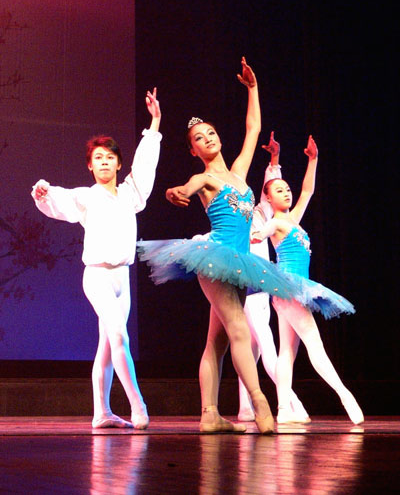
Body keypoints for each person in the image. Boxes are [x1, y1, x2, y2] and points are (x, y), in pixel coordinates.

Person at [137, 58, 296, 434]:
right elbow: (185, 188)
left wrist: (253, 89)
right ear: (193, 150)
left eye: (210, 133)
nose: (207, 138)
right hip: (215, 260)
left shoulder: (238, 172)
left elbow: (253, 128)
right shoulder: (204, 177)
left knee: (217, 341)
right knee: (240, 330)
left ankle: (209, 414)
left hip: (241, 263)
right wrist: (174, 192)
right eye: (198, 138)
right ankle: (260, 404)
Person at [31, 88, 162, 430]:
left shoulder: (131, 194)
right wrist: (43, 192)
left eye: (110, 157)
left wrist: (155, 123)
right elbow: (58, 199)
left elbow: (145, 165)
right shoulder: (86, 196)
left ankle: (101, 412)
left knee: (107, 344)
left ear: (118, 163)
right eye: (98, 158)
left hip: (122, 280)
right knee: (119, 336)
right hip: (97, 277)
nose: (104, 161)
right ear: (90, 166)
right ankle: (138, 405)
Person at [251, 134, 364, 425]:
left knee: (287, 351)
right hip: (289, 288)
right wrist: (256, 234)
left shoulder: (294, 219)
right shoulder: (275, 222)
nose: (286, 193)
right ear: (268, 198)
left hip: (293, 289)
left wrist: (313, 159)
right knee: (315, 344)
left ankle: (283, 409)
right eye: (279, 190)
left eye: (287, 188)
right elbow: (261, 233)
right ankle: (344, 394)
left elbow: (307, 191)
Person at [237, 132, 310, 424]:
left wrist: (275, 160)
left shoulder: (259, 212)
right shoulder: (234, 220)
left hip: (259, 281)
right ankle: (291, 402)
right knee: (265, 342)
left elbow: (271, 190)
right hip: (247, 282)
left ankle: (245, 406)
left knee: (252, 345)